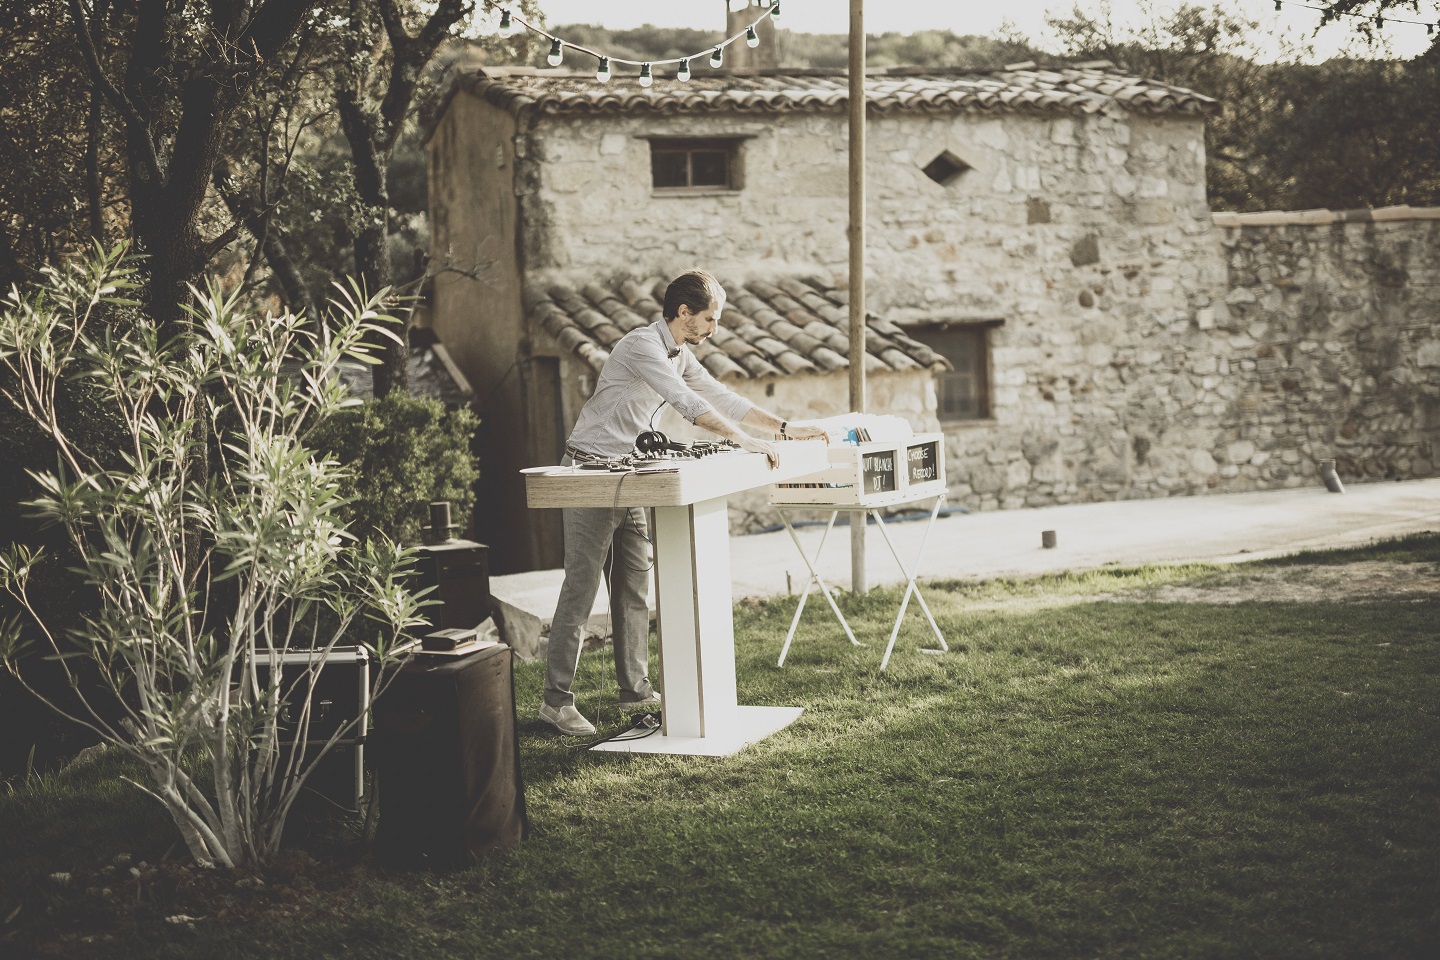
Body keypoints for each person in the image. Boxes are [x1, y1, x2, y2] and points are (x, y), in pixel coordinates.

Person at [540, 269, 829, 735]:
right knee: (581, 588)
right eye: (710, 318)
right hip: (589, 473)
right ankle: (556, 702)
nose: (715, 328)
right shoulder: (642, 346)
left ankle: (634, 690)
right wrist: (742, 441)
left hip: (630, 475)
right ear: (683, 313)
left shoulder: (680, 353)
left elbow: (719, 396)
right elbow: (686, 404)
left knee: (634, 586)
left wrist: (784, 428)